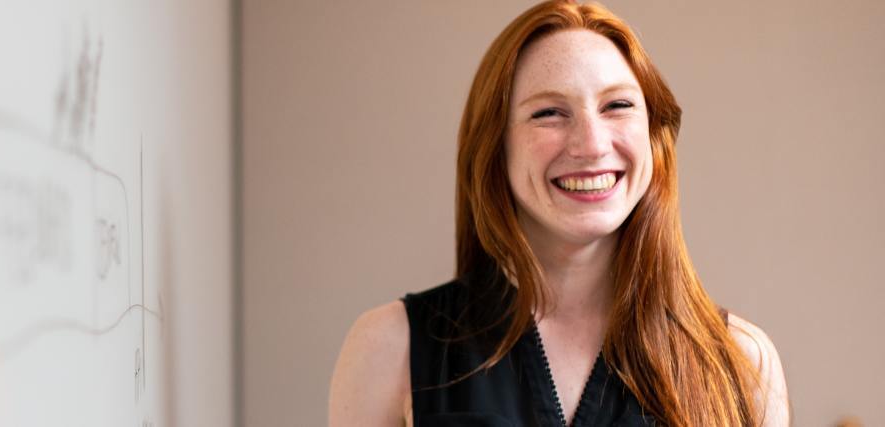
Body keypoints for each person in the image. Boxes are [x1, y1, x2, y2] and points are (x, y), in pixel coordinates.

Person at [329, 1, 789, 426]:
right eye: (549, 113)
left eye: (618, 106)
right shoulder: (391, 349)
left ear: (653, 135)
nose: (591, 144)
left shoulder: (741, 361)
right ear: (495, 148)